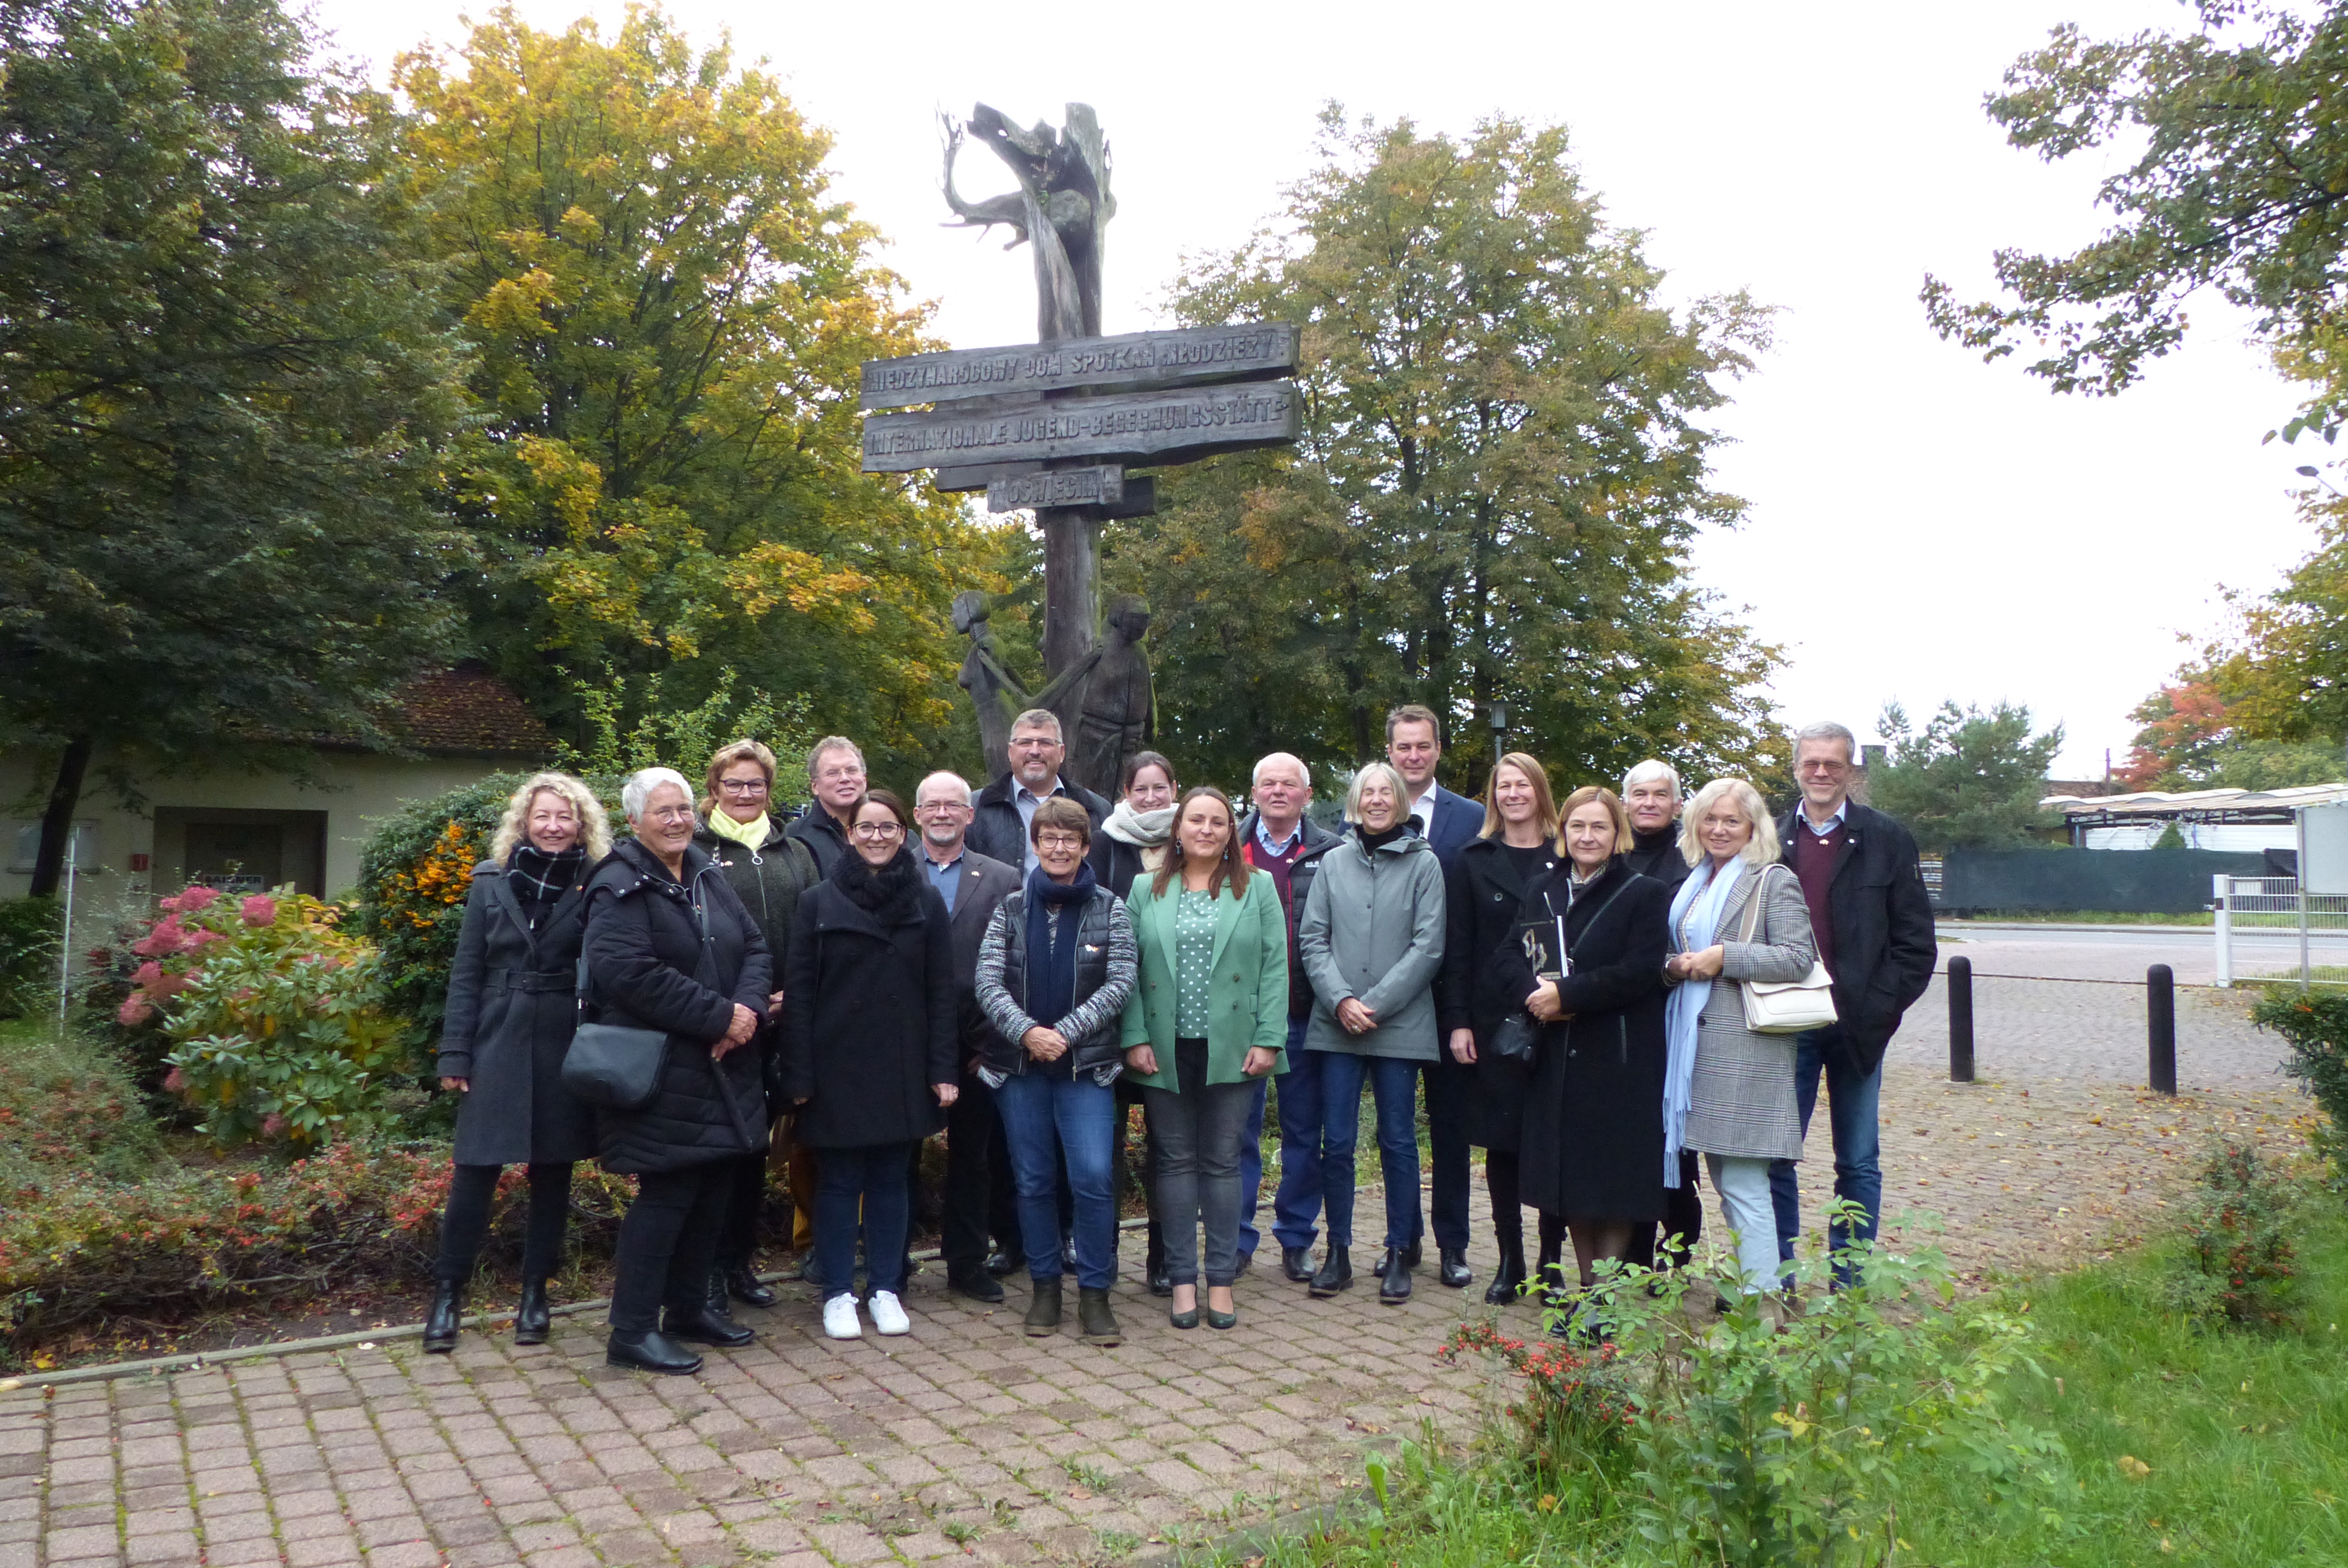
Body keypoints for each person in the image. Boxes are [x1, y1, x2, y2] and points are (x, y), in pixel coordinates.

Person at [583, 768, 772, 1376]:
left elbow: (755, 946)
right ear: (635, 820)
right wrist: (719, 1017)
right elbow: (627, 973)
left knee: (714, 1189)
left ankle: (688, 1308)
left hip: (722, 1063)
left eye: (684, 808)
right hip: (663, 1066)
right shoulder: (617, 882)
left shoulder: (704, 872)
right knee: (667, 1197)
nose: (676, 819)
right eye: (662, 810)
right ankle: (631, 1330)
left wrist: (742, 1013)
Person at [425, 772, 611, 1354]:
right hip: (497, 1035)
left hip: (563, 1039)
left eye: (566, 817)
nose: (555, 826)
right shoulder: (490, 881)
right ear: (525, 822)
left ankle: (536, 1294)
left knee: (552, 1174)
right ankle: (447, 1296)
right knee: (474, 1172)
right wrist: (455, 1052)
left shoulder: (597, 882)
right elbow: (467, 973)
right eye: (544, 816)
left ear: (581, 824)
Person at [777, 789, 960, 1341]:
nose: (877, 837)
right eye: (866, 828)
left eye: (887, 828)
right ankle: (837, 1292)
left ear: (903, 834)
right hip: (836, 1067)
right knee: (837, 1182)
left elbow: (941, 994)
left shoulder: (926, 903)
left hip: (902, 1065)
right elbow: (801, 997)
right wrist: (800, 1076)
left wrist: (943, 1069)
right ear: (850, 835)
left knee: (889, 1180)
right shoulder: (817, 902)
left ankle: (885, 1287)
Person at [1767, 722, 1937, 1286]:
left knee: (1859, 1161)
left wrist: (1883, 1006)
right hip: (1785, 1022)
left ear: (1850, 770)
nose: (1821, 773)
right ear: (1795, 767)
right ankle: (1780, 1272)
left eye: (1833, 765)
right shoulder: (1767, 838)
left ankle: (1850, 1279)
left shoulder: (1886, 838)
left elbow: (1916, 942)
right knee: (1776, 1156)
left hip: (1860, 1025)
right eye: (1811, 763)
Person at [1121, 786, 1287, 1329]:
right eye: (1197, 819)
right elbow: (1126, 969)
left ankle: (1221, 1282)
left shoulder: (1256, 887)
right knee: (1172, 1162)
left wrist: (1268, 1037)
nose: (1208, 829)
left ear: (1231, 833)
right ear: (1178, 828)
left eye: (1219, 821)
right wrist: (1133, 1036)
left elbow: (1275, 967)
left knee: (1221, 1162)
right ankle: (1181, 1281)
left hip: (1234, 1047)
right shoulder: (1146, 888)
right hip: (1163, 1047)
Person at [974, 797, 1139, 1345]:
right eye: (1050, 838)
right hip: (1020, 1068)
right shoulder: (1010, 909)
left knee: (1092, 1178)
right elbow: (988, 981)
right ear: (1036, 844)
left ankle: (1095, 1293)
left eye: (1071, 839)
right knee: (1034, 1180)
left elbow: (1120, 983)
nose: (1060, 848)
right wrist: (1027, 1032)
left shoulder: (1111, 908)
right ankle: (1046, 1288)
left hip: (1085, 1069)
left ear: (1086, 846)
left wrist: (1065, 1032)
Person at [1515, 787, 1672, 1318]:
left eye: (1599, 827)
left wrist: (1570, 995)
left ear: (1617, 833)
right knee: (1572, 1183)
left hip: (1619, 1057)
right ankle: (1585, 1293)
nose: (1587, 836)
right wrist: (1534, 993)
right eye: (1578, 826)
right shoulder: (1543, 887)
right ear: (1563, 831)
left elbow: (1643, 970)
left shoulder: (1644, 892)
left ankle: (1604, 1303)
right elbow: (1512, 956)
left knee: (1614, 1181)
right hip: (1557, 1057)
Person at [1297, 761, 1446, 1304]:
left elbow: (1429, 946)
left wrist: (1375, 1005)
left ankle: (1399, 1250)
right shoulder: (1331, 863)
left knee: (1399, 1141)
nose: (1378, 800)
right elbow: (1313, 940)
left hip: (1399, 1023)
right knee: (1335, 1142)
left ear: (1401, 802)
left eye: (1388, 792)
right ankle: (1337, 1251)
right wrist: (1341, 1001)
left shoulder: (1425, 864)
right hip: (1337, 1024)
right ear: (1355, 802)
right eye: (1369, 792)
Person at [1661, 779, 1817, 1298]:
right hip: (1697, 1048)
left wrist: (1724, 957)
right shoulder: (1698, 880)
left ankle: (1763, 1302)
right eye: (1710, 819)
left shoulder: (1772, 880)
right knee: (1729, 1186)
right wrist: (1675, 965)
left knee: (1746, 1186)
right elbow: (1682, 945)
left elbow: (1798, 958)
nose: (1719, 829)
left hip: (1748, 1052)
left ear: (1754, 826)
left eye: (1731, 820)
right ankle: (1754, 1287)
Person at [692, 739, 821, 1316]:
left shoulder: (794, 852)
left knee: (759, 1150)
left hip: (784, 1020)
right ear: (714, 787)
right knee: (718, 1154)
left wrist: (794, 993)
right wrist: (734, 1005)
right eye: (734, 783)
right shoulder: (694, 853)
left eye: (756, 784)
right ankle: (707, 1270)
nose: (746, 794)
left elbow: (815, 930)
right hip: (721, 1026)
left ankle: (739, 1263)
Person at [1437, 754, 1563, 1306]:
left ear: (1540, 791)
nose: (1513, 794)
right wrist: (1458, 1022)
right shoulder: (1471, 859)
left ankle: (1551, 1262)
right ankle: (1510, 1259)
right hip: (1495, 1022)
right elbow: (1457, 951)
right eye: (1503, 786)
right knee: (1503, 1145)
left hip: (1563, 1016)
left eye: (1523, 785)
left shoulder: (1570, 852)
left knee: (1555, 1142)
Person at [912, 771, 1025, 1304]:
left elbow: (1017, 967)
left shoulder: (1003, 879)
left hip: (979, 1045)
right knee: (898, 1157)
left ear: (969, 814)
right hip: (903, 1044)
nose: (941, 813)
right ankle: (893, 1264)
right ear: (916, 816)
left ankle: (966, 1263)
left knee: (973, 1159)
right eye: (931, 805)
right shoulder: (892, 871)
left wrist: (996, 1045)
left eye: (952, 805)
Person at [1386, 704, 1479, 1290]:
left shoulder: (1470, 818)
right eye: (1403, 747)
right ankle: (1403, 1237)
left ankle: (1453, 1243)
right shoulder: (1370, 813)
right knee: (1394, 1128)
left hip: (1451, 997)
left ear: (1437, 750)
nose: (1413, 755)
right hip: (1391, 998)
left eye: (1423, 746)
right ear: (1390, 752)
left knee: (1449, 1127)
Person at [1239, 753, 1338, 1282]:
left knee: (1304, 1133)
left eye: (1289, 784)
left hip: (1305, 1015)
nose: (1279, 791)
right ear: (1254, 793)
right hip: (1243, 1019)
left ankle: (1297, 1237)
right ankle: (1236, 1240)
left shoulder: (1331, 851)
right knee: (1239, 1134)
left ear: (1307, 792)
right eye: (1269, 784)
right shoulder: (1230, 848)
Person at [1087, 749, 1178, 1292]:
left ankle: (1164, 1259)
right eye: (1139, 789)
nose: (1150, 798)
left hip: (1172, 1013)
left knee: (1168, 1145)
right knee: (1109, 1147)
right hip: (1109, 1011)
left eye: (1159, 788)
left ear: (1174, 788)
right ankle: (1106, 1253)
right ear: (1126, 793)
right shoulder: (1103, 842)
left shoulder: (1191, 840)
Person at [1618, 759, 1702, 1272]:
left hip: (1677, 1015)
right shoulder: (1612, 852)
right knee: (1631, 1139)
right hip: (1623, 1014)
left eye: (1659, 795)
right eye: (1639, 794)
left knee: (1677, 1143)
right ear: (1625, 801)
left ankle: (1679, 1250)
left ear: (1676, 804)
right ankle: (1631, 1254)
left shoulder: (1693, 862)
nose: (1649, 803)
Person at [970, 708, 1111, 874]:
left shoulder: (1096, 809)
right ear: (1010, 751)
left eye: (1045, 743)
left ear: (1061, 752)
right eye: (1025, 743)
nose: (1035, 751)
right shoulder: (976, 807)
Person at [787, 736, 867, 876]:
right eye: (832, 773)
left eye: (851, 770)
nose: (844, 779)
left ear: (864, 779)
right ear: (815, 786)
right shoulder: (794, 838)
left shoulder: (896, 835)